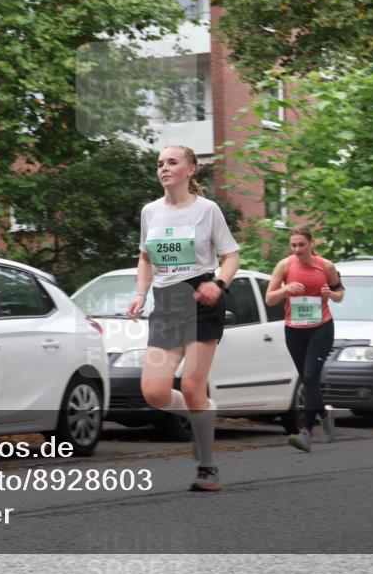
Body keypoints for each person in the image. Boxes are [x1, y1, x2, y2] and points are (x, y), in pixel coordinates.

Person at [127, 145, 240, 492]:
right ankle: (201, 412)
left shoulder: (207, 210)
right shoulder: (151, 212)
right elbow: (146, 258)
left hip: (201, 298)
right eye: (160, 163)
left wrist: (218, 284)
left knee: (192, 385)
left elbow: (231, 255)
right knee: (155, 393)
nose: (164, 168)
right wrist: (140, 294)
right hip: (165, 302)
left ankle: (208, 467)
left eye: (172, 162)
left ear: (190, 170)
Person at [264, 226, 344, 452]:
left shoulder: (326, 266)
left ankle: (305, 432)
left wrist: (331, 294)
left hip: (321, 327)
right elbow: (269, 299)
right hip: (294, 329)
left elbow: (340, 295)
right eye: (293, 245)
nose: (297, 249)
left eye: (301, 245)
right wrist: (286, 289)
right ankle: (325, 414)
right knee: (308, 380)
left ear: (312, 244)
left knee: (310, 376)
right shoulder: (285, 265)